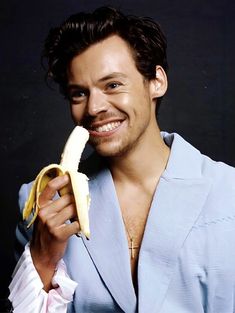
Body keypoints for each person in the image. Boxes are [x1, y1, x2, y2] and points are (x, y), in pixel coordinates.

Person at [9, 6, 235, 313]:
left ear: (157, 81)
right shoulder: (39, 203)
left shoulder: (228, 192)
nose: (93, 108)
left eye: (112, 85)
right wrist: (42, 260)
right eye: (79, 93)